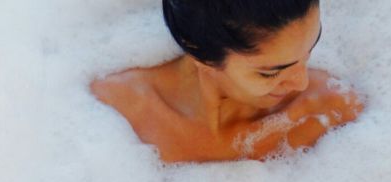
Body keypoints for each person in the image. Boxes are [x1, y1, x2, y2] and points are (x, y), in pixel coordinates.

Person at [90, 0, 363, 162]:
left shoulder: (331, 111)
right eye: (271, 73)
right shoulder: (112, 114)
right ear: (198, 52)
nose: (301, 83)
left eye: (310, 49)